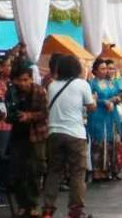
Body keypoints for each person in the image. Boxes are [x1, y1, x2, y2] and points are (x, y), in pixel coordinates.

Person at [42, 55, 96, 218]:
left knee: (54, 171)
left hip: (54, 133)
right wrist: (94, 99)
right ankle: (75, 211)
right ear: (76, 68)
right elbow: (91, 107)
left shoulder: (51, 86)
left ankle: (48, 210)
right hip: (75, 134)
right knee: (77, 173)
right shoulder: (82, 84)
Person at [5, 64, 48, 218]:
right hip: (18, 135)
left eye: (25, 80)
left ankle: (33, 204)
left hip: (36, 135)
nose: (23, 83)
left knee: (35, 169)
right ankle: (22, 204)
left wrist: (29, 116)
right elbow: (9, 114)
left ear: (31, 79)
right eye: (19, 80)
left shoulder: (39, 91)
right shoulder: (11, 92)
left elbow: (44, 113)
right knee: (18, 171)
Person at [87, 59, 122, 182]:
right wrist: (104, 101)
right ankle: (97, 172)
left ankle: (109, 170)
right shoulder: (92, 84)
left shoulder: (110, 83)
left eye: (106, 68)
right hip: (98, 116)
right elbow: (91, 100)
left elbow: (113, 96)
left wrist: (116, 99)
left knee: (112, 143)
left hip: (111, 115)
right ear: (95, 70)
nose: (105, 71)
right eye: (102, 69)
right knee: (99, 144)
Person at [0, 58, 12, 195]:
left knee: (4, 155)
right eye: (8, 65)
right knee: (0, 155)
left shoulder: (9, 83)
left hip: (8, 126)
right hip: (1, 126)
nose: (10, 67)